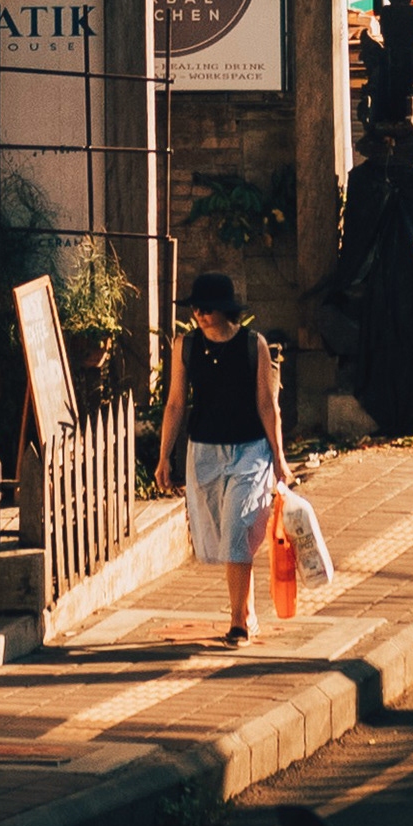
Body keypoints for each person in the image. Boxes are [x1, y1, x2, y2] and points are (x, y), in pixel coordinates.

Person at [156, 261, 287, 645]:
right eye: (195, 308)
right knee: (226, 536)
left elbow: (267, 404)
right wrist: (164, 456)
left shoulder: (253, 345)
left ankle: (237, 622)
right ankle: (249, 609)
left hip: (250, 450)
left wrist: (278, 458)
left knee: (235, 530)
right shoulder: (186, 346)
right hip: (205, 453)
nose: (199, 314)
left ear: (225, 309)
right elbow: (175, 404)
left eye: (207, 308)